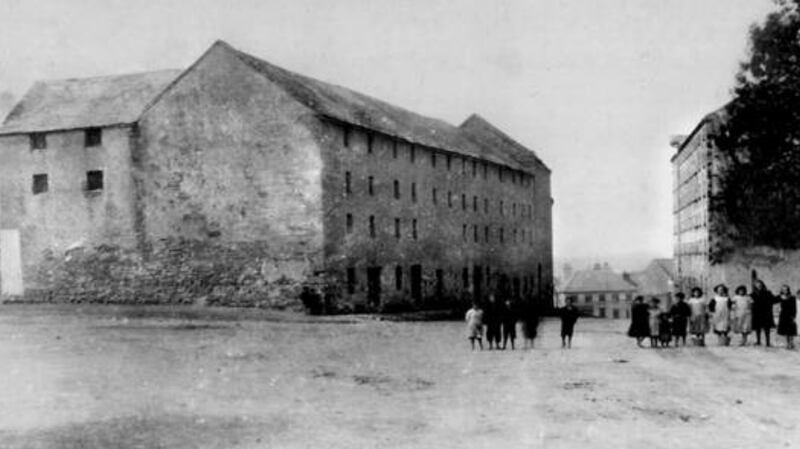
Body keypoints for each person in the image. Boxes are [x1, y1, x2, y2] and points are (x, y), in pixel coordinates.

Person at [751, 280, 777, 347]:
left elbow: (774, 300)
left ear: (762, 285)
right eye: (757, 284)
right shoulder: (753, 294)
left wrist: (781, 297)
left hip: (766, 313)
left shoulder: (768, 293)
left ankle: (768, 342)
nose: (759, 286)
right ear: (755, 286)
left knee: (767, 328)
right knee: (758, 328)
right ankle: (758, 341)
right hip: (757, 313)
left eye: (760, 284)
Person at [776, 285, 797, 349]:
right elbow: (773, 300)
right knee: (786, 331)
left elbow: (794, 308)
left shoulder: (792, 297)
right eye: (783, 289)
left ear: (788, 290)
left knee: (791, 330)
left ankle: (791, 343)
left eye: (786, 289)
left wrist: (793, 316)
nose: (784, 291)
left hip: (790, 315)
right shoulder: (780, 297)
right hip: (783, 315)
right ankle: (788, 343)